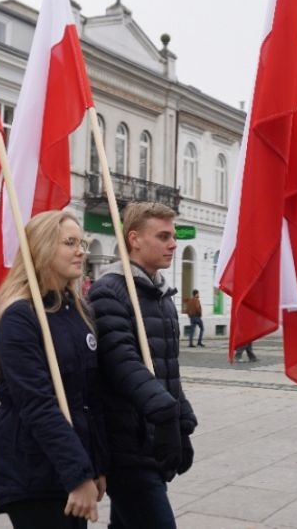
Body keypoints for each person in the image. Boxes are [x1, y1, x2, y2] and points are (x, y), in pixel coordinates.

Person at [0, 211, 107, 528]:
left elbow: (90, 397)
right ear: (41, 248)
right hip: (33, 469)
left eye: (81, 242)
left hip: (72, 463)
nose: (81, 250)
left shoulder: (80, 311)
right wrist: (79, 475)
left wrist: (97, 463)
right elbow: (37, 403)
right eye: (70, 243)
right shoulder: (19, 316)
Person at [89, 202, 197, 529]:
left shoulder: (160, 294)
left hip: (153, 437)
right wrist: (165, 415)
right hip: (126, 442)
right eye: (163, 236)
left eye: (173, 236)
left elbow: (168, 369)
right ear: (134, 239)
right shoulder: (110, 291)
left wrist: (182, 421)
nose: (173, 243)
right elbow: (122, 364)